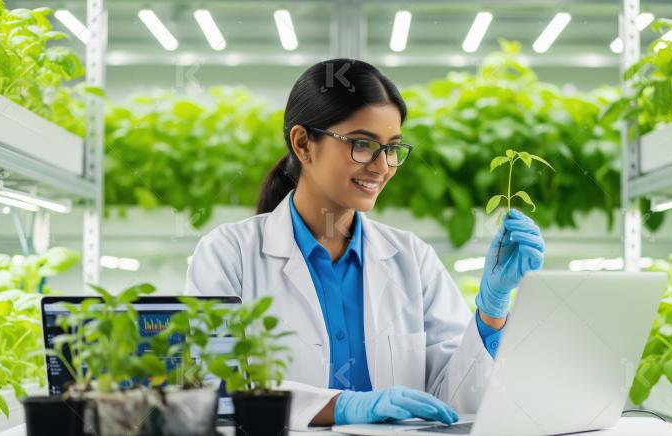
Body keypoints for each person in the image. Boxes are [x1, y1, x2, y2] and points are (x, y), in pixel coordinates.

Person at [185, 59, 545, 430]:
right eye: (362, 144)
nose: (382, 165)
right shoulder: (228, 254)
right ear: (303, 144)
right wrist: (342, 405)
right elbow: (215, 388)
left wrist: (492, 310)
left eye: (392, 148)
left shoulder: (412, 258)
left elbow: (454, 402)